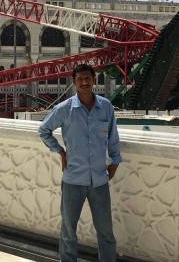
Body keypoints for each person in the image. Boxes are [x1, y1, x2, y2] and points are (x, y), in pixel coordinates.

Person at [38, 64, 121, 262]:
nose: (85, 82)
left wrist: (115, 161)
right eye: (80, 79)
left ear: (94, 80)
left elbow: (113, 137)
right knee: (68, 231)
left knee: (106, 232)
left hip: (99, 180)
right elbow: (44, 130)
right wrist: (60, 152)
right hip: (73, 179)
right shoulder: (65, 109)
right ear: (74, 82)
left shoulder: (106, 107)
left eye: (88, 78)